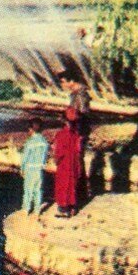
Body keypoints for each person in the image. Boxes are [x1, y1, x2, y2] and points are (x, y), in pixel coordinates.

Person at [52, 77, 90, 215]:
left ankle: (70, 204)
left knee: (69, 176)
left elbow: (80, 116)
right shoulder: (77, 95)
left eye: (63, 82)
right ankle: (75, 202)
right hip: (76, 136)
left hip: (75, 137)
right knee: (75, 172)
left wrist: (76, 131)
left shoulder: (80, 96)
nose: (62, 85)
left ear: (71, 80)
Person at [18, 121, 50, 216]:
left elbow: (25, 157)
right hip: (39, 168)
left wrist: (22, 168)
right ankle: (37, 210)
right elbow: (45, 156)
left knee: (28, 190)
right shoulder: (44, 142)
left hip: (30, 168)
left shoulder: (30, 142)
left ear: (31, 129)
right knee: (38, 190)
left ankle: (26, 209)